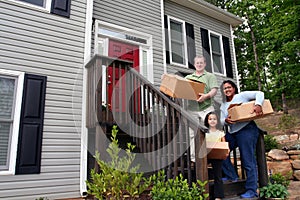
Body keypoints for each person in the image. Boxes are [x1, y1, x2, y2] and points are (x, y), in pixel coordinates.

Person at [220, 80, 264, 198]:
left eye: (229, 87)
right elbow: (220, 119)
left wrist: (258, 104)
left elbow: (260, 93)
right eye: (225, 88)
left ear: (234, 88)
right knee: (220, 151)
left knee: (248, 161)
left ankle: (252, 190)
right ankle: (231, 176)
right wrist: (225, 121)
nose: (227, 90)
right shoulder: (223, 105)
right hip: (232, 132)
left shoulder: (242, 96)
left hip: (247, 130)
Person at [185, 55, 218, 163]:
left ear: (205, 64)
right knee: (192, 134)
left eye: (201, 63)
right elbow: (179, 85)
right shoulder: (188, 78)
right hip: (192, 109)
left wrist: (206, 96)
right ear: (194, 65)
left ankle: (210, 156)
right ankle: (194, 159)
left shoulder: (210, 76)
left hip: (207, 108)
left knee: (209, 131)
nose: (199, 64)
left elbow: (214, 90)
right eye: (197, 63)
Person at [204, 111, 226, 200]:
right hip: (206, 155)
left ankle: (218, 196)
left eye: (214, 119)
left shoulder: (220, 132)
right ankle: (204, 193)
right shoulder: (205, 132)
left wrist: (226, 152)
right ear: (207, 121)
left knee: (218, 175)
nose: (212, 121)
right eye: (210, 119)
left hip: (217, 155)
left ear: (217, 121)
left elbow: (224, 143)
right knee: (203, 173)